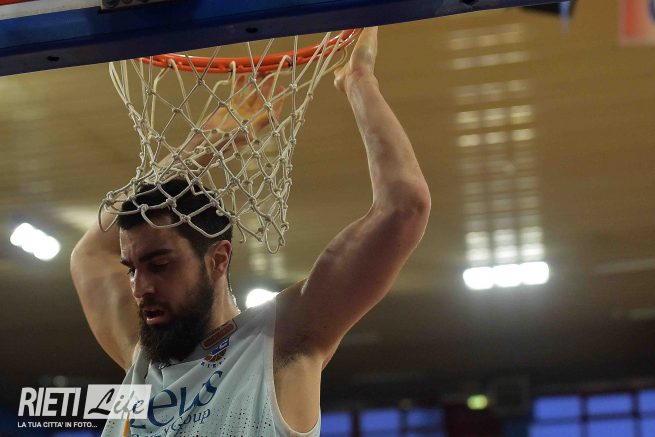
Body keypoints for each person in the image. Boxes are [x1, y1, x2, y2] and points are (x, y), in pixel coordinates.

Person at [71, 27, 431, 436]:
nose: (140, 287)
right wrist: (207, 144)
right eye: (132, 268)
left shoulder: (281, 341)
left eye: (159, 264)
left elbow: (404, 207)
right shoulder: (142, 361)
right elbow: (89, 255)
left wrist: (360, 81)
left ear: (218, 259)